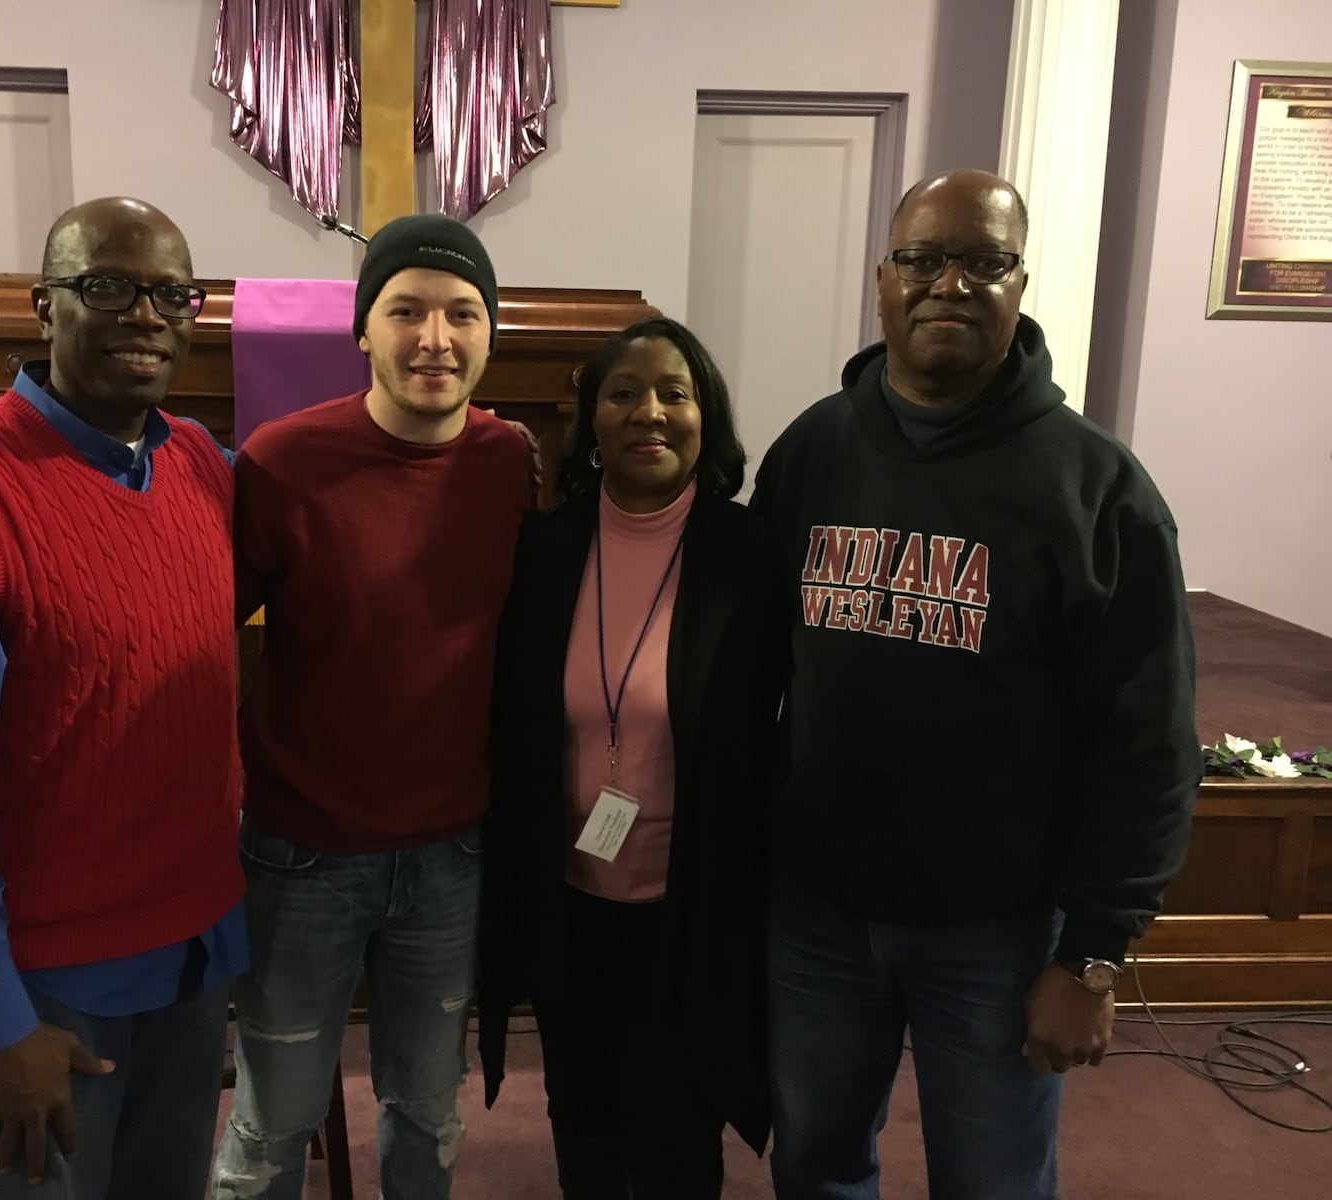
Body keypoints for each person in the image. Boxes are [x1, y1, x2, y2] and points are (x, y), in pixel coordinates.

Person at [751, 168, 1202, 1199]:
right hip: (817, 915)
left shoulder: (1097, 491)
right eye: (921, 260)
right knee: (814, 1167)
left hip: (996, 933)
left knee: (993, 1183)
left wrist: (1092, 957)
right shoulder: (813, 452)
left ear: (1018, 283)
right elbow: (751, 675)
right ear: (882, 282)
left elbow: (1147, 744)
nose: (948, 285)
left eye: (982, 262)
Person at [0, 196, 248, 1199]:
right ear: (45, 305)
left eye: (171, 293)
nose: (145, 315)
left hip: (191, 962)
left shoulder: (197, 464)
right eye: (107, 286)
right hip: (42, 990)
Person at [213, 214, 539, 1200]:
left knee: (428, 1115)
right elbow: (203, 628)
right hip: (301, 850)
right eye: (406, 311)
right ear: (362, 329)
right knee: (276, 1124)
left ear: (490, 334)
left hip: (449, 854)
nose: (434, 339)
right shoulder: (281, 460)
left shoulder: (512, 466)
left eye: (460, 314)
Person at [477, 317, 787, 1198]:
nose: (649, 412)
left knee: (676, 1133)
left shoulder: (748, 555)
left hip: (692, 909)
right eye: (623, 393)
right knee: (583, 1118)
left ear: (706, 417)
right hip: (570, 904)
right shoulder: (546, 550)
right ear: (590, 418)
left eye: (673, 394)